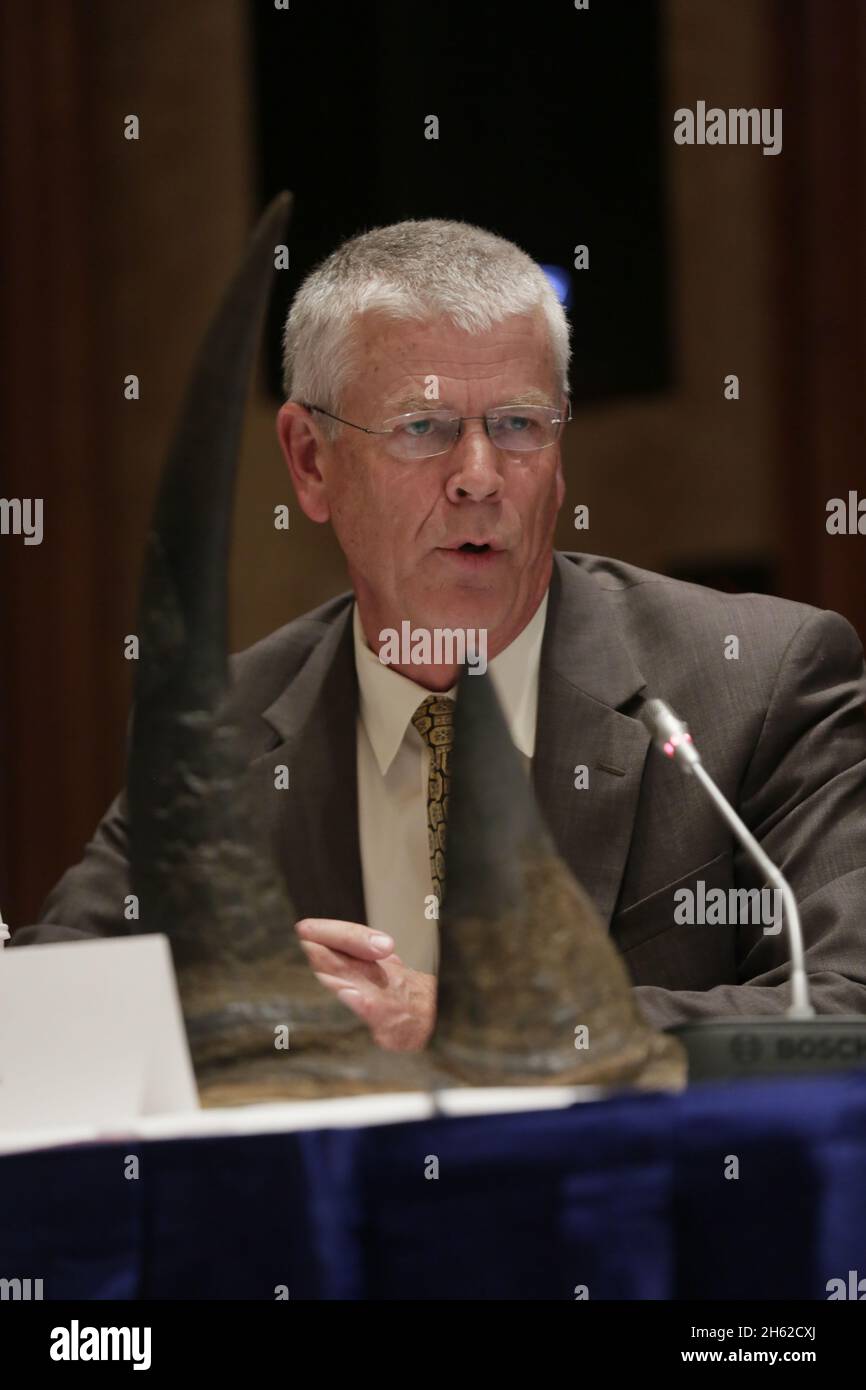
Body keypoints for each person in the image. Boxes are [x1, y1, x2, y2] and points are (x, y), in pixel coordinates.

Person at [12, 219, 866, 1052]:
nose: (480, 478)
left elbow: (845, 1009)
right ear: (310, 461)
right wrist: (224, 1006)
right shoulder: (222, 730)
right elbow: (44, 1018)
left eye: (519, 425)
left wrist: (473, 1020)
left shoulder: (758, 684)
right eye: (423, 430)